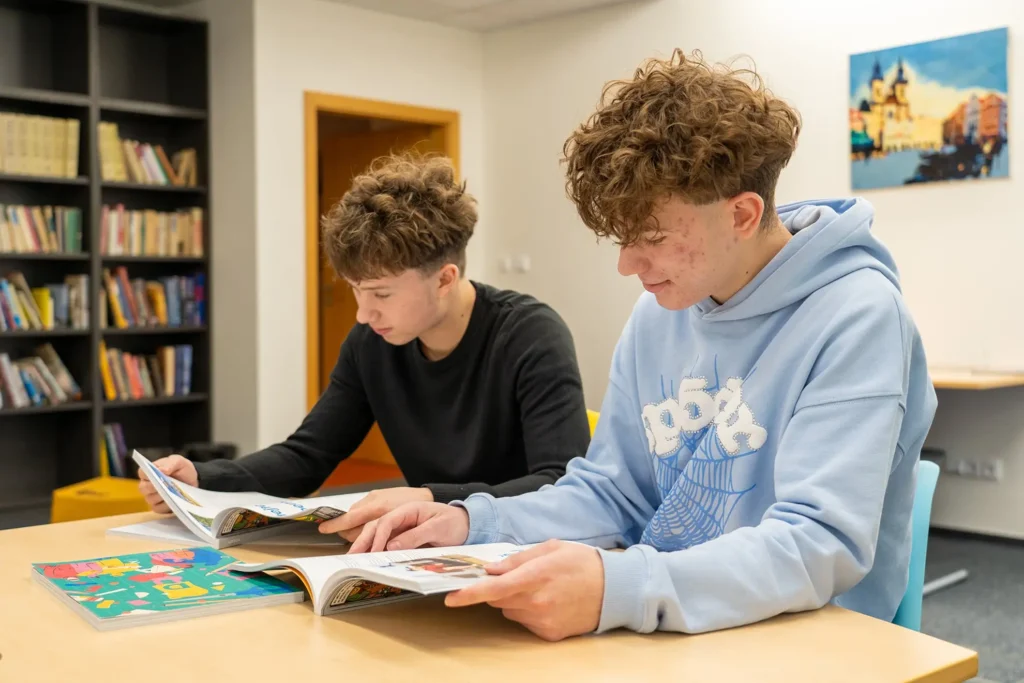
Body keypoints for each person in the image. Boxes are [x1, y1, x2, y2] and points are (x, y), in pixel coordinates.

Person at [348, 49, 938, 642]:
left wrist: (620, 586)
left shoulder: (857, 314)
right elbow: (614, 491)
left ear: (742, 214)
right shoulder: (659, 311)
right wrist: (471, 521)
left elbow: (820, 545)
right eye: (622, 240)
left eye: (651, 238)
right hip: (673, 618)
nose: (629, 265)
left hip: (811, 636)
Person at [138, 153, 592, 540]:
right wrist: (203, 478)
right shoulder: (371, 343)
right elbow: (308, 457)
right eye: (357, 290)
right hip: (426, 550)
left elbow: (560, 484)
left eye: (381, 294)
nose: (363, 313)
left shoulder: (532, 335)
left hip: (521, 547)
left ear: (444, 279)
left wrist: (432, 498)